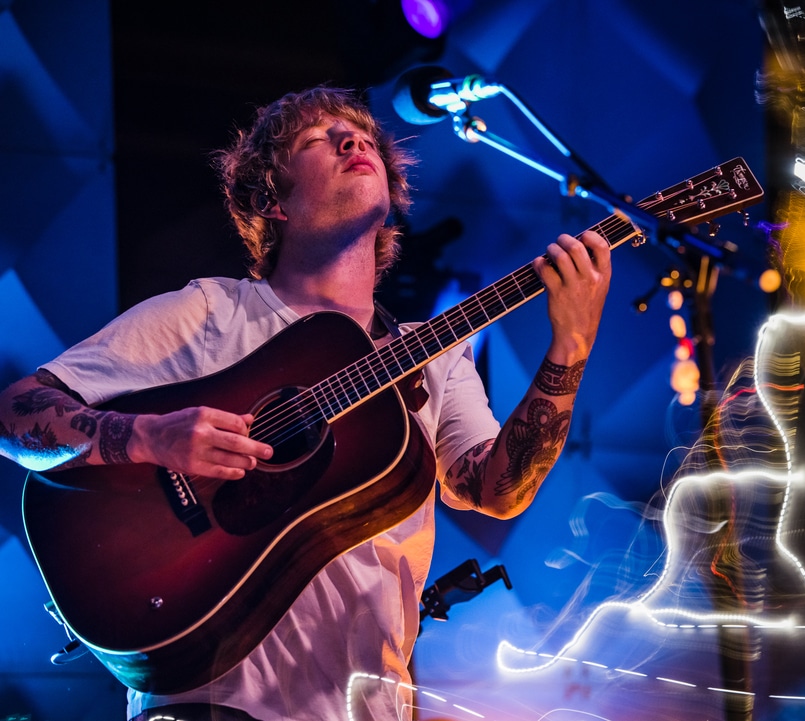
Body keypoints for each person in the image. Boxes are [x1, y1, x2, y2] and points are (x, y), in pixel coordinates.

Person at [0, 86, 610, 721]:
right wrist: (150, 437)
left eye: (364, 138)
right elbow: (14, 414)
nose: (353, 141)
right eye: (318, 139)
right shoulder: (211, 312)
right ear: (273, 200)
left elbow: (495, 490)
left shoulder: (436, 356)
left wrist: (569, 347)